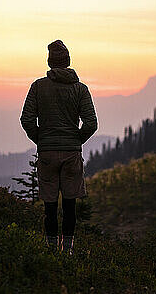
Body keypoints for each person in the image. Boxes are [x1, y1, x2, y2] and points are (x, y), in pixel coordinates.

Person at [20, 40, 98, 254]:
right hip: (72, 154)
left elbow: (26, 119)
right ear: (68, 61)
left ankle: (52, 251)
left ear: (49, 62)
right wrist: (75, 141)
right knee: (70, 206)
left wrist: (42, 140)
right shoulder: (80, 89)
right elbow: (91, 123)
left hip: (47, 154)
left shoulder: (38, 87)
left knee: (50, 206)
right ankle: (68, 251)